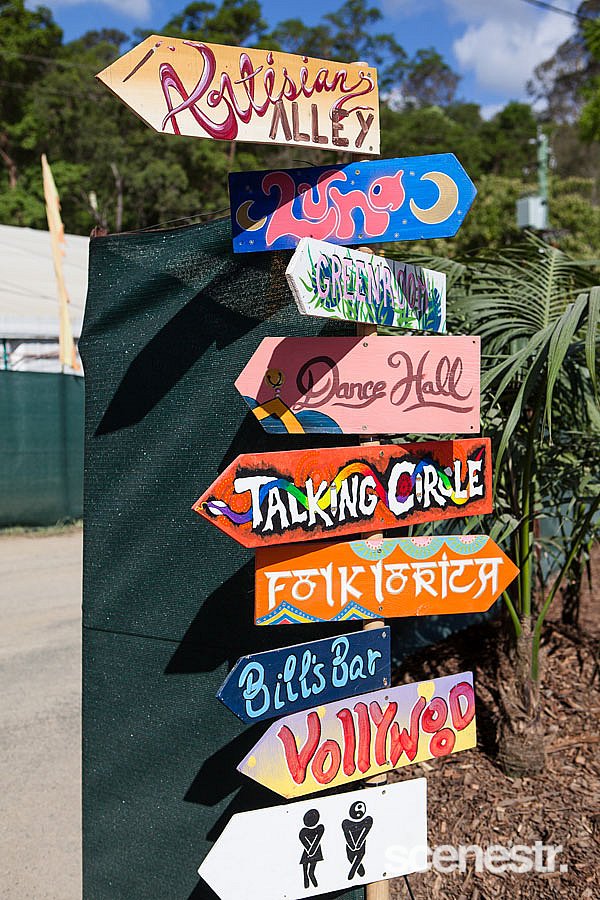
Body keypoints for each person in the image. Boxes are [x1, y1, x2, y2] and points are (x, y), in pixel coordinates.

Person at [342, 800, 373, 880]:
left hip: (361, 845)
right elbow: (347, 834)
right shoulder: (346, 822)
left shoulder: (367, 820)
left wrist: (359, 844)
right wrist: (352, 845)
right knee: (350, 858)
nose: (358, 811)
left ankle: (354, 872)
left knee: (360, 855)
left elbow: (365, 832)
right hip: (350, 845)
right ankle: (359, 871)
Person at [299, 808, 325, 889]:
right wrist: (310, 851)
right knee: (305, 870)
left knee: (310, 871)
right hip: (310, 851)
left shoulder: (320, 828)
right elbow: (304, 840)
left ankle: (315, 885)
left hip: (313, 851)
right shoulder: (303, 831)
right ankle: (308, 884)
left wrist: (311, 851)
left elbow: (317, 840)